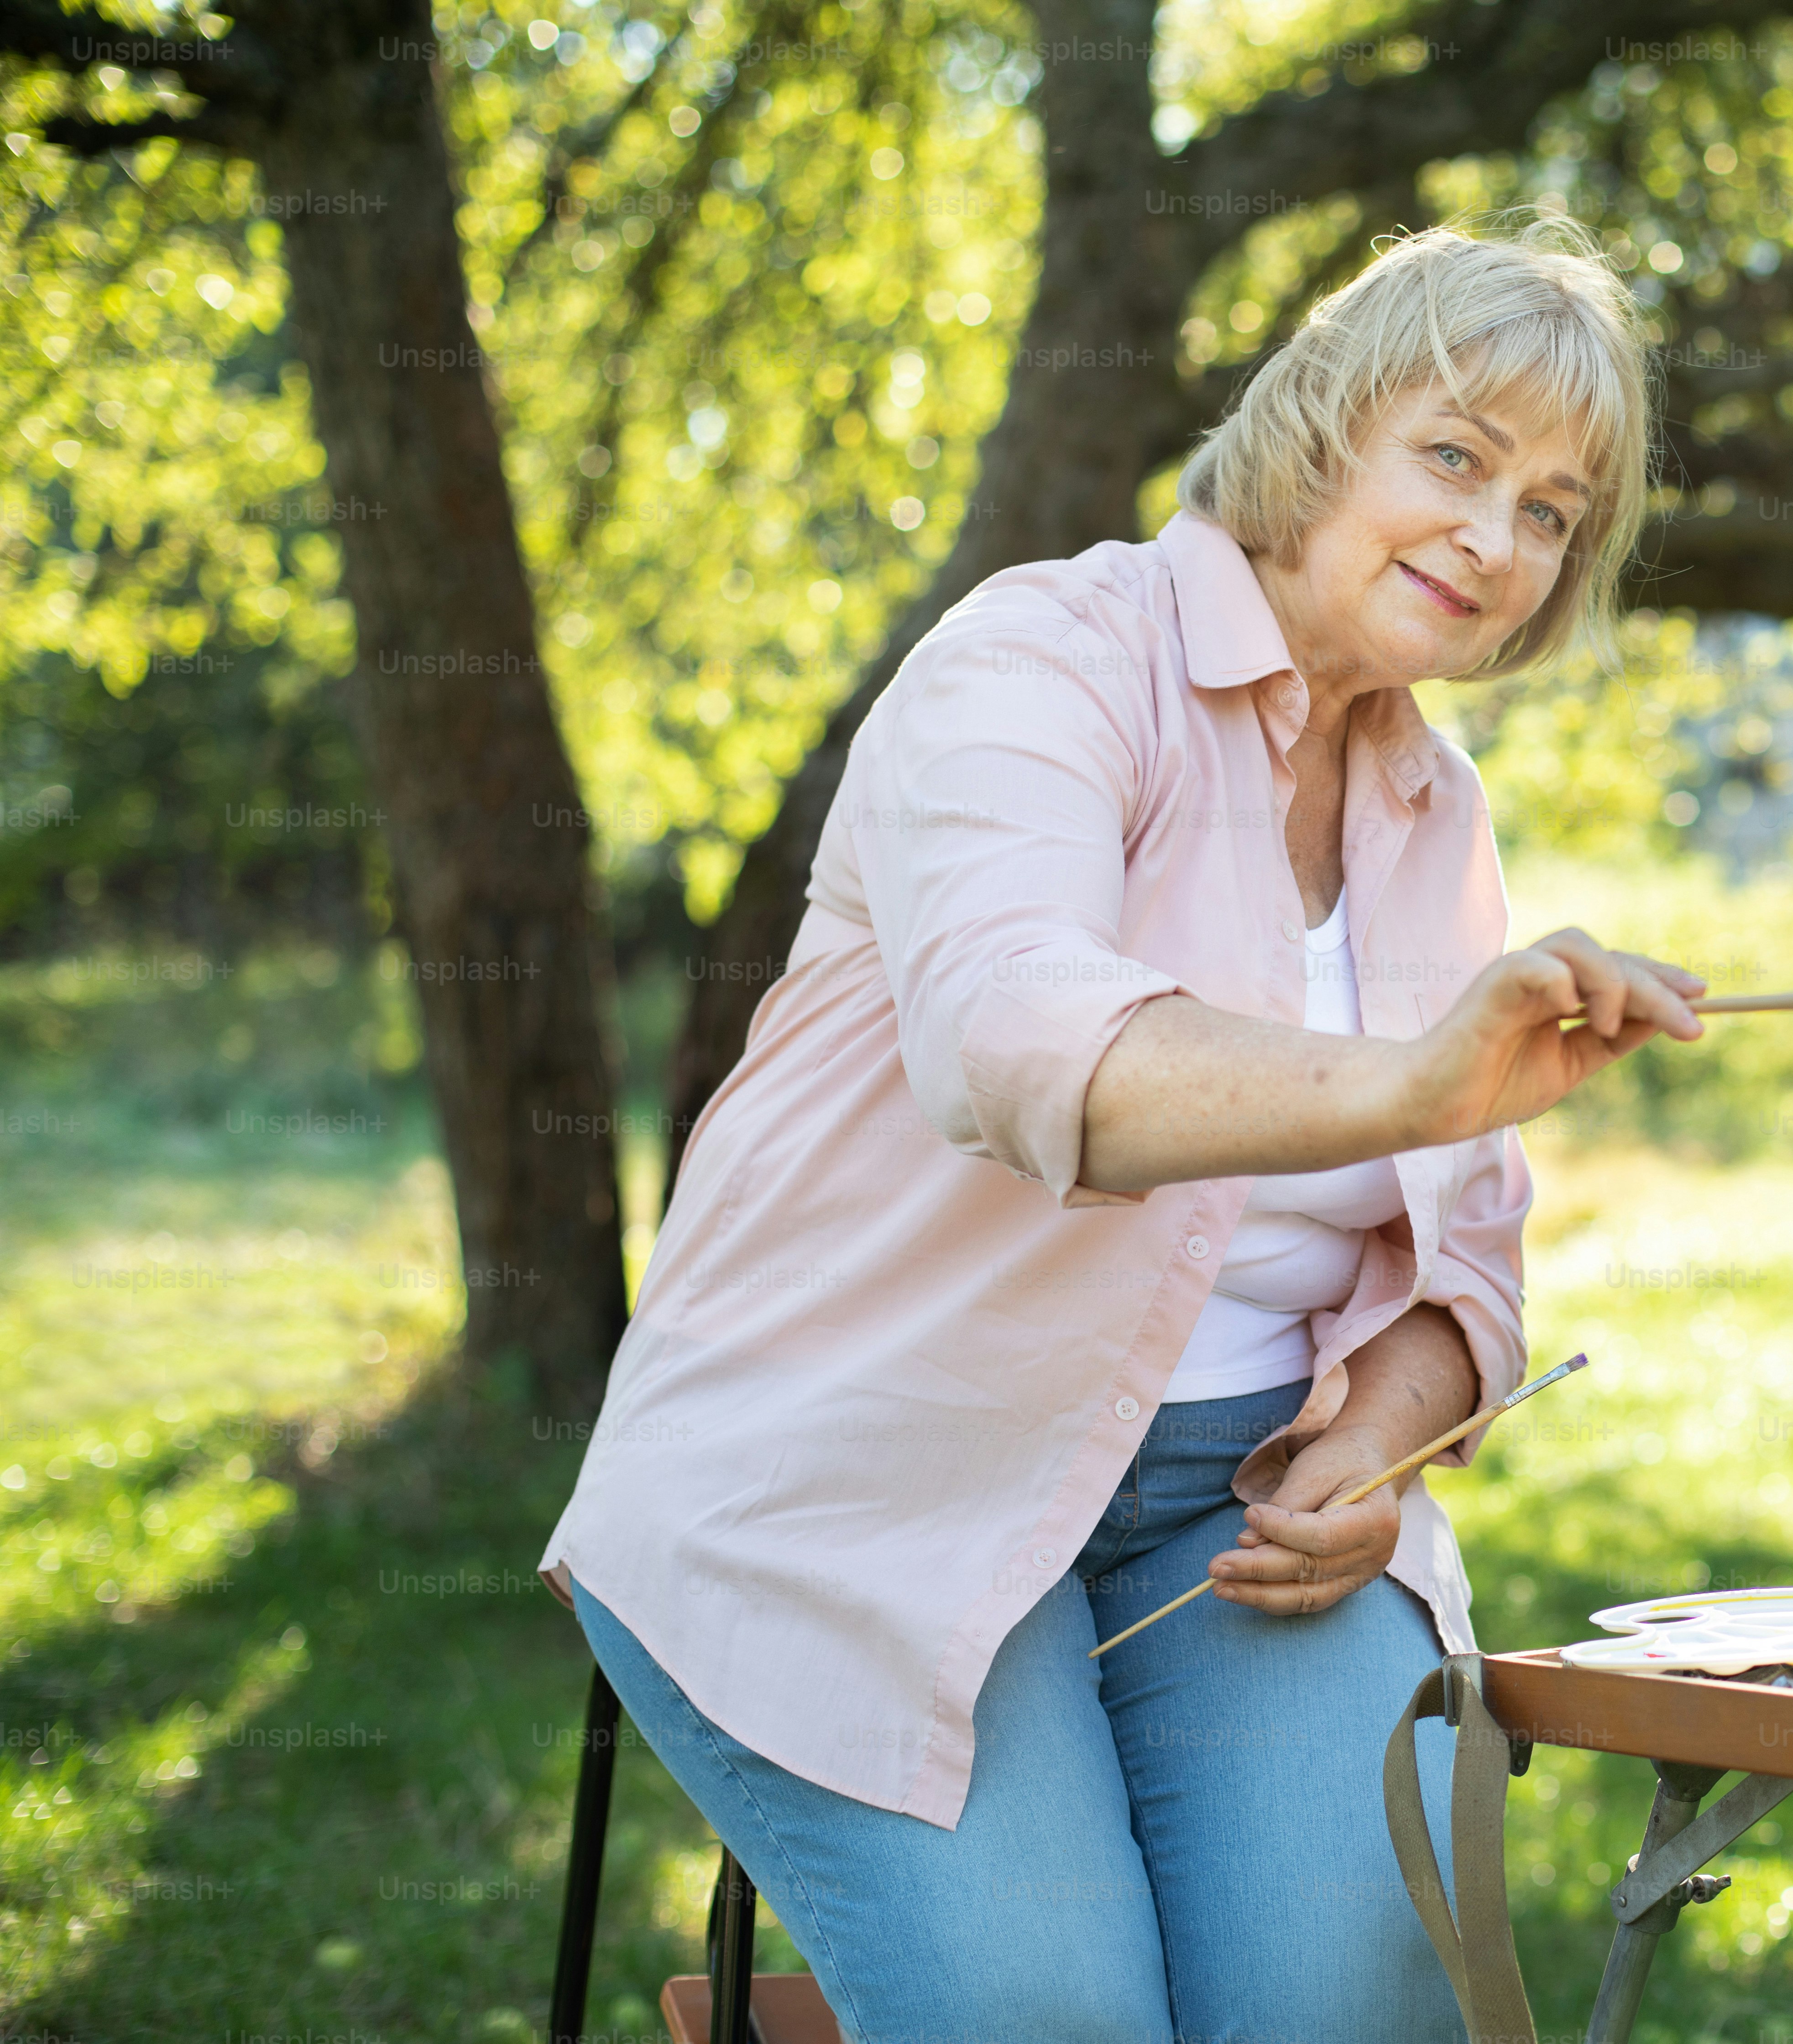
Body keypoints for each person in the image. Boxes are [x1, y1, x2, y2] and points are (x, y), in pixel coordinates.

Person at [538, 215, 1701, 2043]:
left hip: (1231, 1514)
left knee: (1357, 2001)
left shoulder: (1427, 800)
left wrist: (1379, 1447)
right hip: (867, 1483)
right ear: (1322, 432)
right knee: (1048, 2013)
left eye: (1553, 509)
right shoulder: (1044, 661)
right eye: (1458, 459)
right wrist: (1407, 1079)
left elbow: (1460, 1251)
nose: (1498, 540)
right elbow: (1011, 1043)